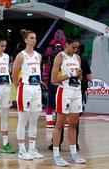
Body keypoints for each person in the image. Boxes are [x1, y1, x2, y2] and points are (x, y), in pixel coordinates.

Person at [51, 37, 86, 167]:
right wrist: (70, 75)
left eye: (77, 47)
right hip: (64, 92)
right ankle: (56, 156)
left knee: (73, 124)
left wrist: (79, 74)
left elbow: (80, 78)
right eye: (73, 47)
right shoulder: (60, 57)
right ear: (67, 44)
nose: (75, 50)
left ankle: (73, 154)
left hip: (76, 92)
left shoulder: (77, 58)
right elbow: (54, 80)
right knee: (59, 124)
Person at [12, 30, 44, 160]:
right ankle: (21, 150)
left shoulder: (39, 56)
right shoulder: (21, 56)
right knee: (22, 120)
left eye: (35, 38)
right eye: (31, 38)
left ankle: (32, 148)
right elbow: (14, 74)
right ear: (26, 40)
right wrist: (18, 88)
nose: (34, 40)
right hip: (25, 88)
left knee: (34, 120)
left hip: (36, 89)